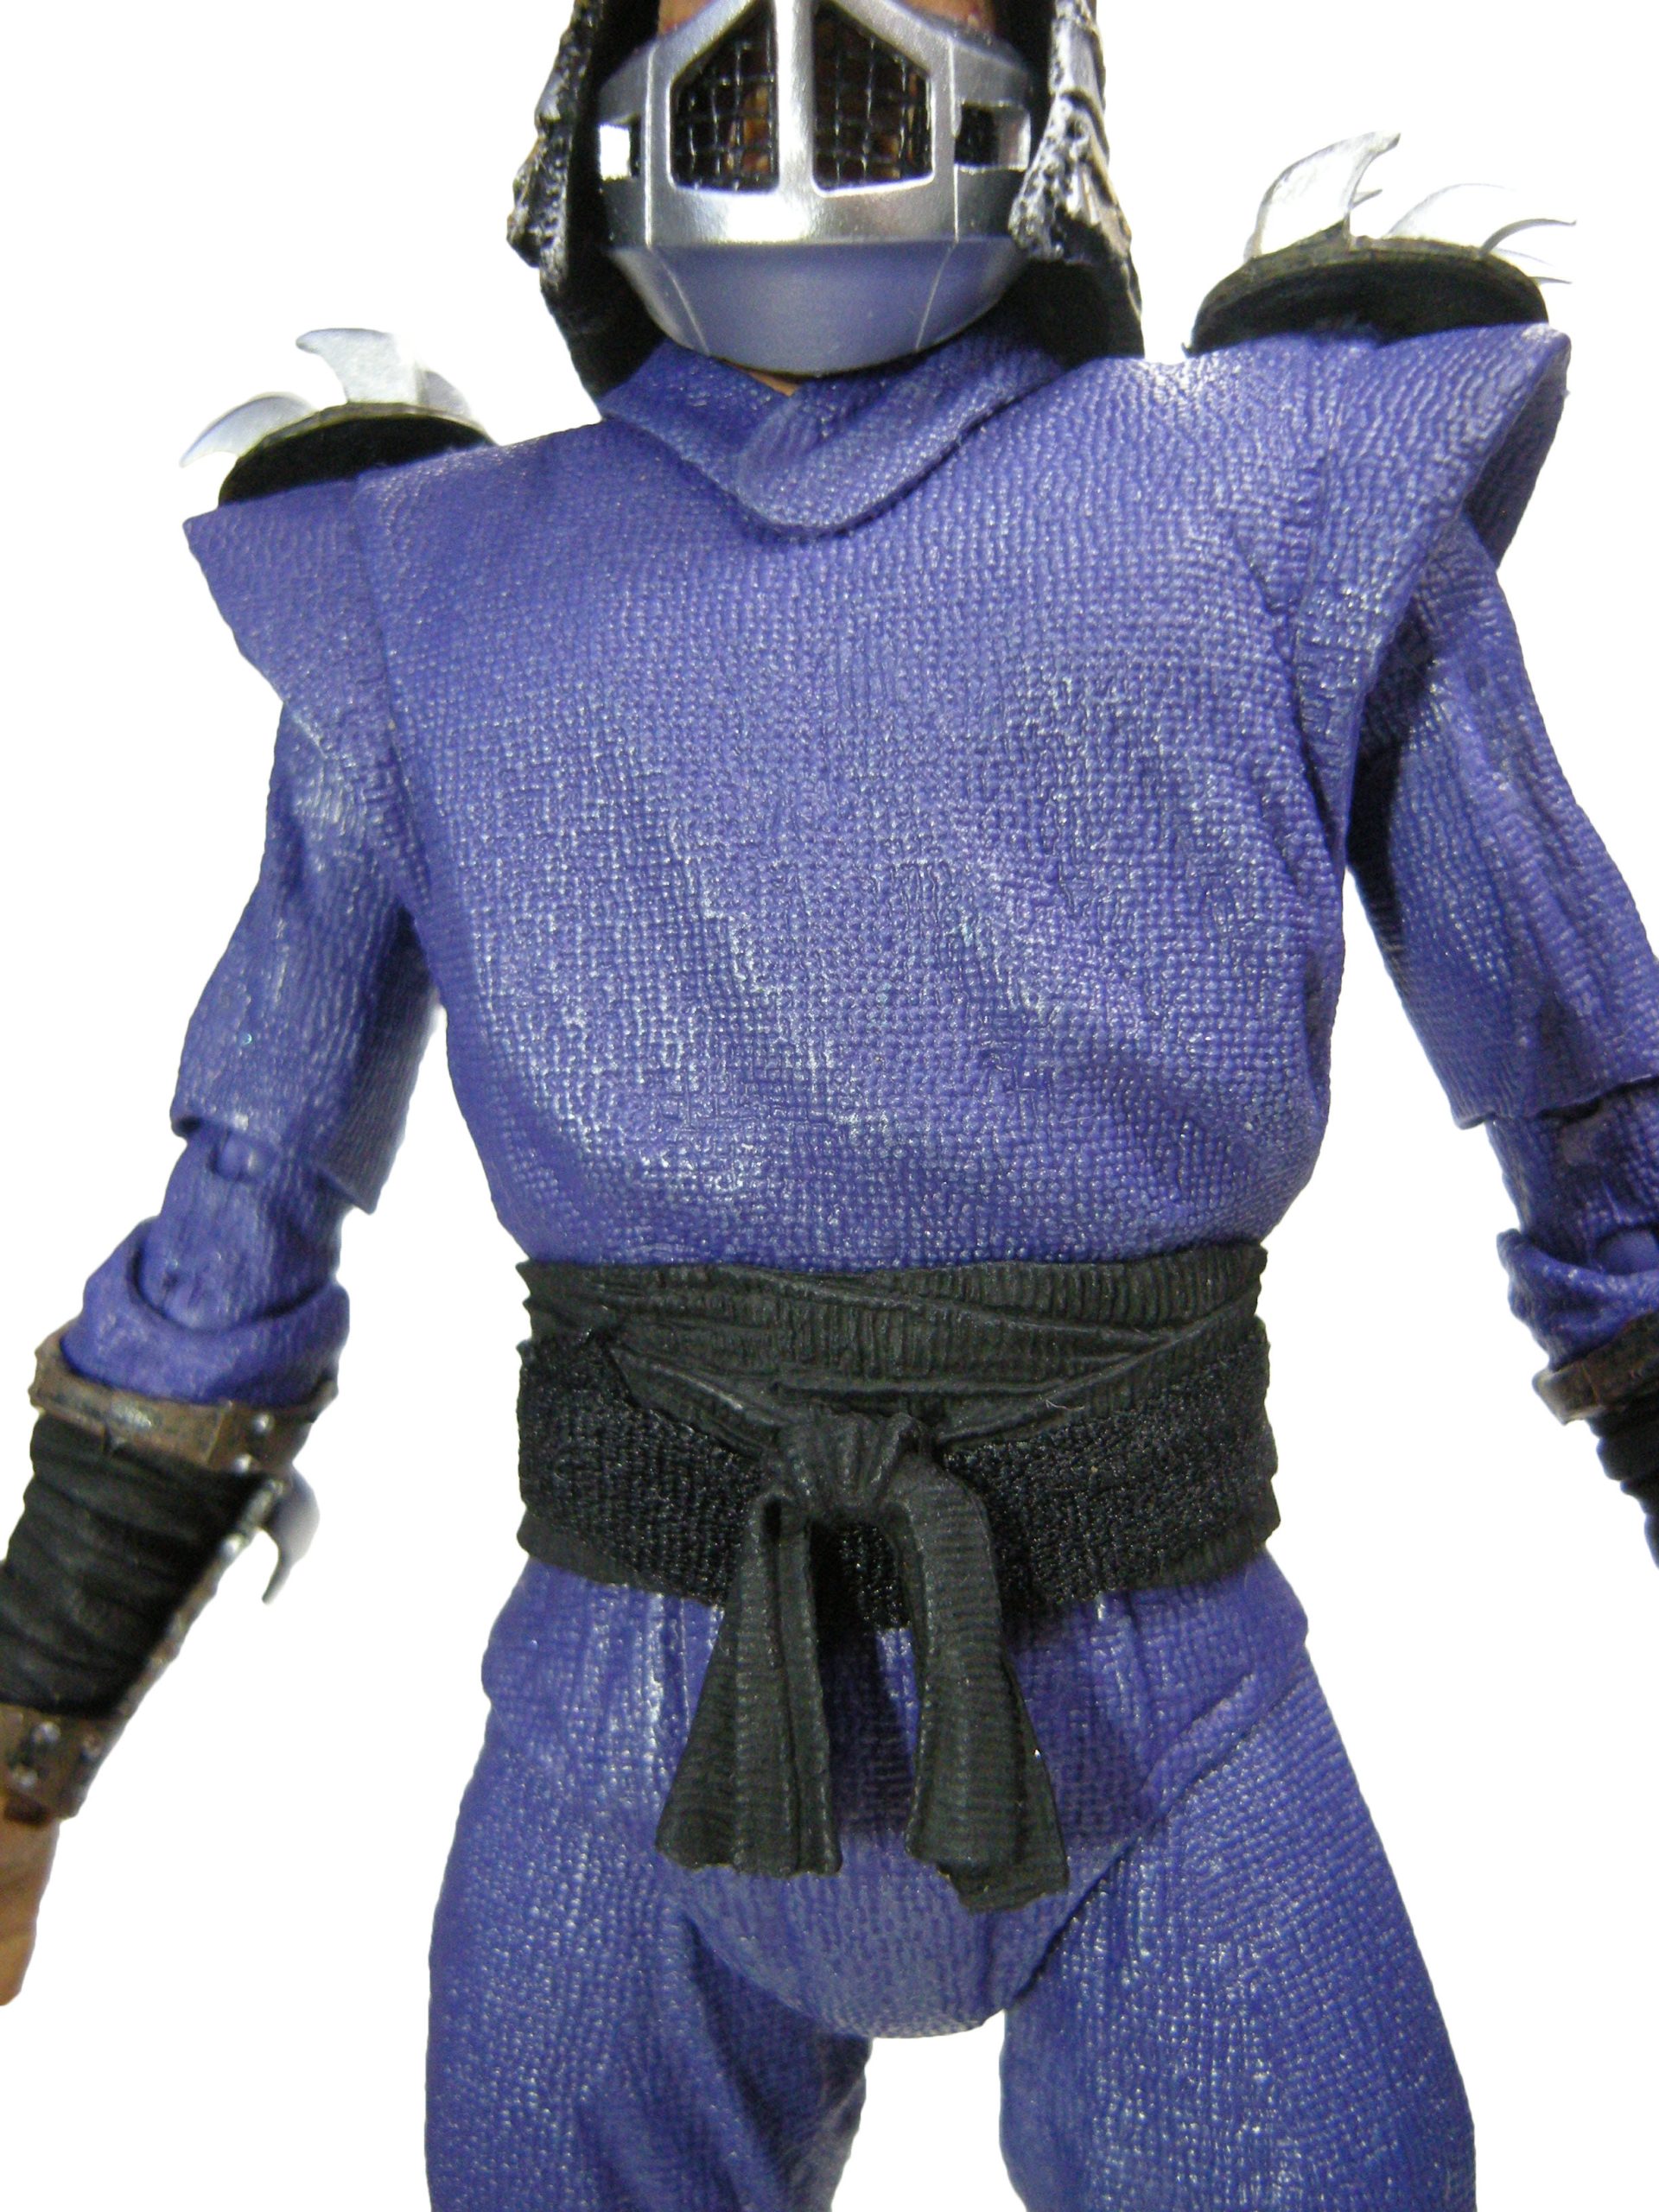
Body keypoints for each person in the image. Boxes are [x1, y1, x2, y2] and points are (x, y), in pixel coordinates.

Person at [4, 0, 1656, 2203]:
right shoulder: (421, 578)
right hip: (643, 1692)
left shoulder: (1306, 483)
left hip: (1151, 1685)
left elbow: (1600, 1113)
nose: (799, 63)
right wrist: (34, 1702)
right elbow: (252, 1188)